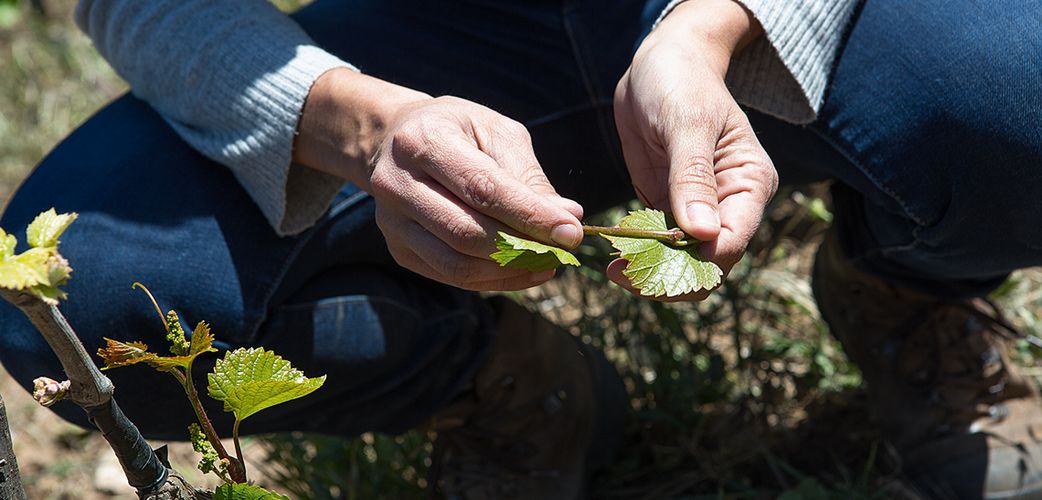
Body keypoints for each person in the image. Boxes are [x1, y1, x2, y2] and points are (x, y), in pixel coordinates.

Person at [1, 0, 1039, 497]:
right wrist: (360, 126)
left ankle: (907, 290)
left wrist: (711, 31)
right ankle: (506, 384)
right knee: (81, 293)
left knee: (1014, 86)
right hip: (402, 40)